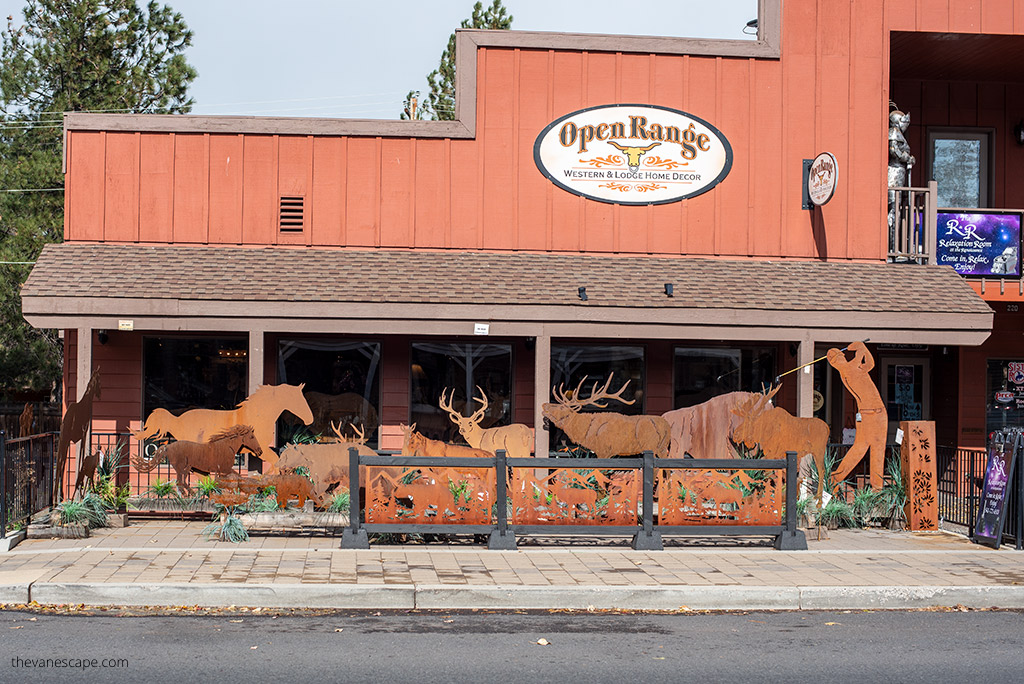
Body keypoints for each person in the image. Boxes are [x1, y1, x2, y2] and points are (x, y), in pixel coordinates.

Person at [827, 342, 886, 490]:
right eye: (839, 357)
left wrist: (862, 349)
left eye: (841, 356)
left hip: (868, 412)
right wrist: (860, 347)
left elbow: (870, 364)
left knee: (861, 448)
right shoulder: (849, 369)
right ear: (836, 362)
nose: (842, 358)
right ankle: (876, 487)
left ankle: (837, 477)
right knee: (876, 449)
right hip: (874, 412)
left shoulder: (850, 370)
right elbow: (860, 358)